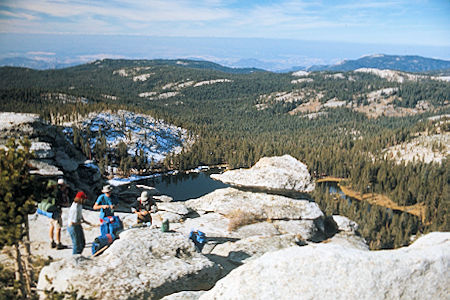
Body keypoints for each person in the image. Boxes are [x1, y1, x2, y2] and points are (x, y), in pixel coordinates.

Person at [67, 191, 91, 255]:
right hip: (73, 227)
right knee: (76, 244)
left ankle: (79, 255)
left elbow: (80, 214)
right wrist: (81, 222)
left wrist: (84, 220)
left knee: (82, 243)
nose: (85, 201)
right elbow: (73, 223)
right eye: (84, 199)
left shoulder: (79, 205)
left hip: (77, 225)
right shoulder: (75, 208)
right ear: (81, 199)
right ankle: (75, 257)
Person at [47, 180, 67, 249]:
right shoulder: (59, 193)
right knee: (58, 227)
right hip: (56, 212)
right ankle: (58, 243)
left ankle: (51, 241)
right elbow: (61, 203)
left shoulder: (52, 191)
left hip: (50, 212)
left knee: (51, 226)